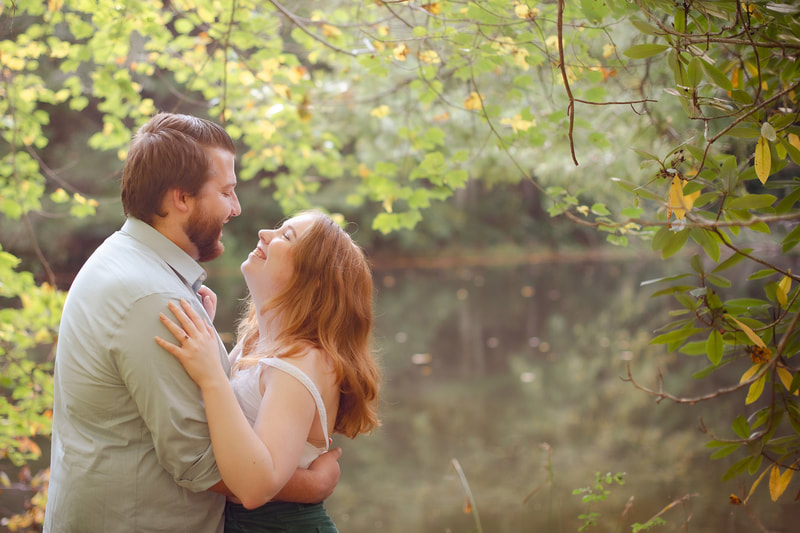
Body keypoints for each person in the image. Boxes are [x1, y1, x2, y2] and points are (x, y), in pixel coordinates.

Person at [44, 113, 340, 533]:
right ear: (181, 199)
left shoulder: (124, 257)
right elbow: (205, 466)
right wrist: (314, 484)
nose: (236, 209)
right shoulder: (152, 297)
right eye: (225, 192)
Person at [155, 210, 381, 532]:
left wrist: (212, 375)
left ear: (313, 279)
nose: (264, 233)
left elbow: (255, 488)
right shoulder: (259, 339)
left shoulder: (302, 362)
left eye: (286, 236)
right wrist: (209, 339)